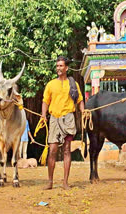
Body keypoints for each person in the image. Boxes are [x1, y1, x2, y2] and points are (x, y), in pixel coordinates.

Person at [41, 56, 84, 190]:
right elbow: (45, 101)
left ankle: (65, 182)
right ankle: (50, 182)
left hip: (68, 119)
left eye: (61, 66)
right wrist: (43, 115)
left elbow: (80, 100)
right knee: (52, 150)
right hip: (54, 118)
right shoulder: (51, 84)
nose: (58, 68)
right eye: (57, 66)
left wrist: (83, 111)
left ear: (66, 68)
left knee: (66, 150)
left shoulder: (73, 84)